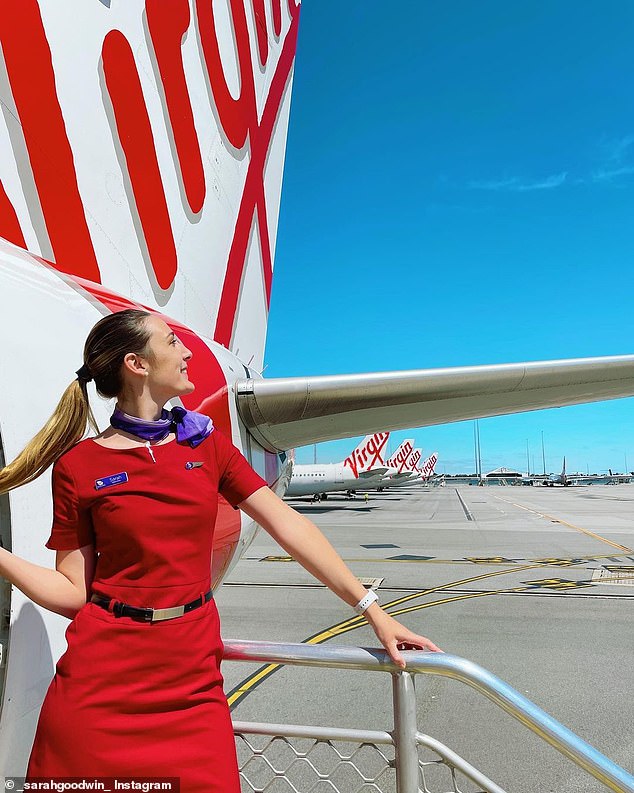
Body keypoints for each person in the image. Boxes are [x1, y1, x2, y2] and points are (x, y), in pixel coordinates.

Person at [0, 309, 440, 791]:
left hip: (192, 685)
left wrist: (374, 611)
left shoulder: (207, 448)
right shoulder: (79, 465)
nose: (187, 352)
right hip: (97, 686)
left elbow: (289, 526)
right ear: (137, 364)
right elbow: (71, 591)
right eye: (172, 343)